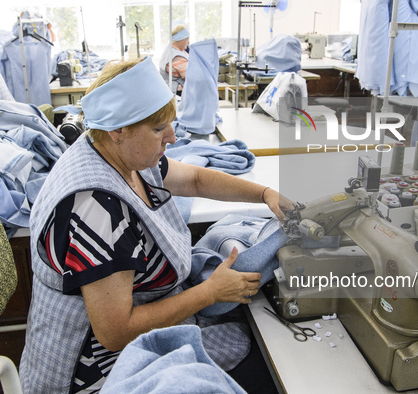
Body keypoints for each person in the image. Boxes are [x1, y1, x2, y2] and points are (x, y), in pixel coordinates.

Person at [19, 56, 293, 393]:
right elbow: (116, 333)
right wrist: (209, 292)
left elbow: (193, 179)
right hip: (96, 370)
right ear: (118, 129)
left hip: (135, 331)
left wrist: (265, 194)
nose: (173, 138)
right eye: (159, 128)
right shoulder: (95, 209)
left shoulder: (125, 156)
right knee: (267, 372)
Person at [159, 24, 190, 95]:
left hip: (169, 91)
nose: (188, 42)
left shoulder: (170, 50)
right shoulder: (177, 57)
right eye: (187, 39)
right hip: (177, 92)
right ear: (181, 39)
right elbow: (190, 76)